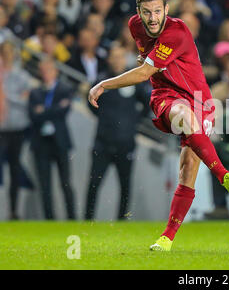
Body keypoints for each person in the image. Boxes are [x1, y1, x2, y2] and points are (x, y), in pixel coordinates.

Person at [88, 0, 229, 251]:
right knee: (181, 113)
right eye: (147, 12)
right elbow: (146, 70)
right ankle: (224, 175)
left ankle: (166, 238)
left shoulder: (177, 31)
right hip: (166, 95)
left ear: (167, 10)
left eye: (158, 11)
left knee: (188, 168)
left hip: (200, 99)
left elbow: (144, 69)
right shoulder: (135, 26)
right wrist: (141, 63)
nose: (153, 17)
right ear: (138, 13)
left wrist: (106, 82)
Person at [85, 46, 150, 220]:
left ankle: (121, 220)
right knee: (94, 183)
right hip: (103, 141)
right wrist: (106, 120)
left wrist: (132, 121)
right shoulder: (101, 81)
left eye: (120, 57)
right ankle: (87, 220)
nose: (117, 60)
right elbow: (90, 103)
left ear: (125, 59)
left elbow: (147, 103)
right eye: (114, 57)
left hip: (126, 142)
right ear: (109, 60)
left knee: (125, 185)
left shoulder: (133, 80)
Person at [28, 57, 75, 220]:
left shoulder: (65, 88)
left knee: (66, 182)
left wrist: (44, 110)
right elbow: (33, 115)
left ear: (55, 71)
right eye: (43, 71)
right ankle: (49, 219)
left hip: (60, 141)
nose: (46, 74)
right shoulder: (35, 92)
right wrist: (54, 109)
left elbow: (64, 111)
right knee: (45, 185)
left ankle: (72, 218)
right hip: (41, 142)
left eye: (49, 70)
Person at [0, 41, 32, 220]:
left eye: (9, 52)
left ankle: (13, 211)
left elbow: (26, 100)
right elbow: (21, 98)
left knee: (14, 168)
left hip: (17, 128)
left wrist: (5, 96)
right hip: (1, 128)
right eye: (4, 52)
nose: (7, 56)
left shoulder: (22, 75)